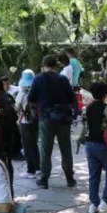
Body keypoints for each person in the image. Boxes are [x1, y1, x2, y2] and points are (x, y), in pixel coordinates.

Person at [28, 55, 76, 189]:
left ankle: (44, 179)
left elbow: (31, 98)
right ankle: (70, 178)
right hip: (63, 118)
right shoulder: (63, 79)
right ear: (56, 65)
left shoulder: (38, 79)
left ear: (44, 65)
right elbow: (71, 98)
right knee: (65, 148)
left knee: (45, 149)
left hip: (47, 118)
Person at [82, 81, 107, 213]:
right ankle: (106, 202)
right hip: (104, 144)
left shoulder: (86, 109)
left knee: (94, 175)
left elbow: (85, 124)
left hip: (89, 145)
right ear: (105, 94)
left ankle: (94, 204)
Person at [15, 69, 40, 179]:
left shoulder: (22, 93)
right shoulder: (37, 91)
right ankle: (38, 167)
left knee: (27, 146)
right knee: (34, 144)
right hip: (36, 120)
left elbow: (17, 108)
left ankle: (31, 171)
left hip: (25, 121)